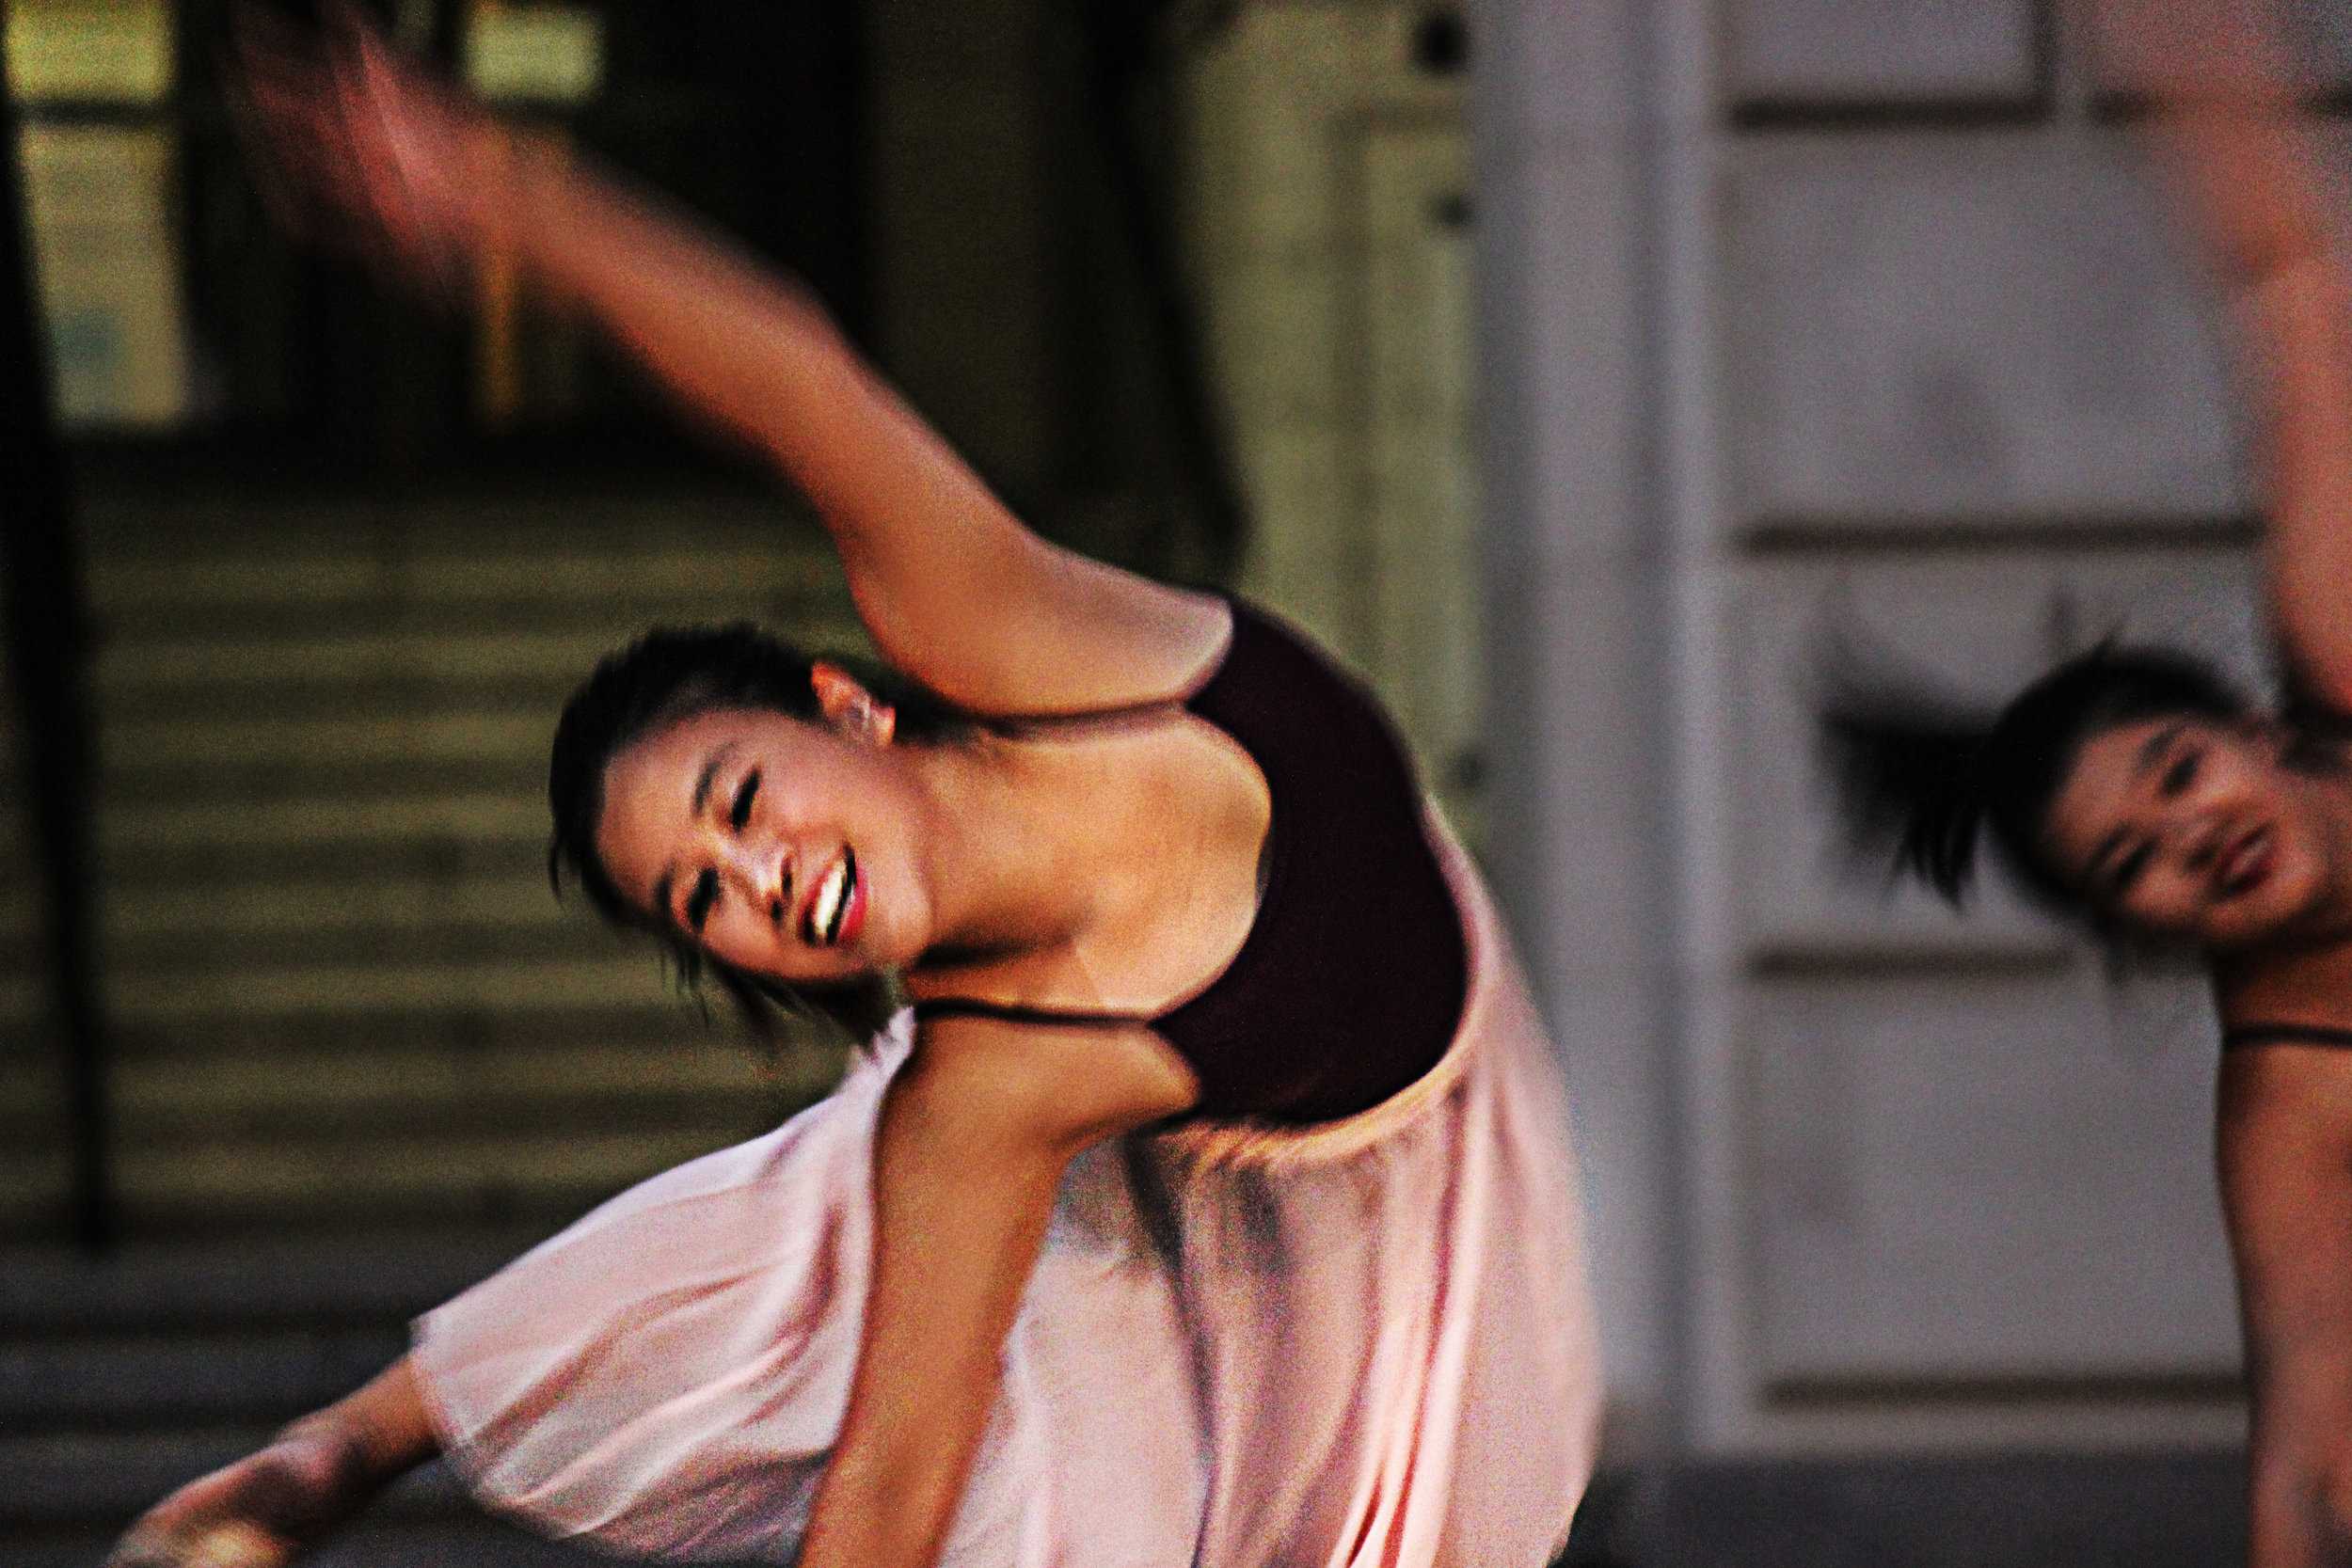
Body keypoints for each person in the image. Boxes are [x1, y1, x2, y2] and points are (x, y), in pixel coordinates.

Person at [103, 14, 1600, 1568]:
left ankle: (363, 1428)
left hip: (1402, 1222)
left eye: (741, 802)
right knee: (857, 1237)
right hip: (1170, 1201)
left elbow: (787, 377)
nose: (760, 882)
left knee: (820, 1217)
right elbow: (888, 1497)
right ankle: (339, 1446)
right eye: (705, 901)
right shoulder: (984, 1097)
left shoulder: (1012, 637)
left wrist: (497, 189)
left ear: (847, 707)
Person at [1826, 4, 2352, 1563]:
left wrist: (2202, 86)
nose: (2198, 835)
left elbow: (2292, 304)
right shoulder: (2295, 1076)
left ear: (2257, 729)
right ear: (2154, 937)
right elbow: (2304, 1432)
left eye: (2181, 774)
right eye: (2139, 864)